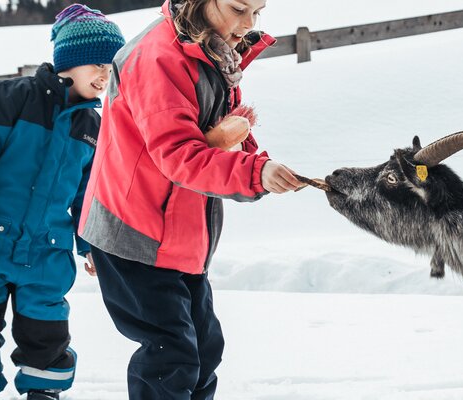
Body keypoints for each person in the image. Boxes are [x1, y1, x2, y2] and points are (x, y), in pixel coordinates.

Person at [76, 0, 304, 398]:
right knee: (171, 355)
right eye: (238, 8)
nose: (248, 23)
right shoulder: (157, 58)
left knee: (203, 349)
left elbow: (214, 134)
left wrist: (252, 160)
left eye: (257, 11)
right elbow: (180, 155)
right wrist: (254, 173)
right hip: (136, 232)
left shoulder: (211, 49)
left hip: (181, 232)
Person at [0, 5, 124, 400]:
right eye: (97, 63)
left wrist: (90, 244)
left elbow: (87, 194)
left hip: (46, 250)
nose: (105, 74)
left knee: (46, 330)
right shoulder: (11, 97)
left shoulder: (93, 126)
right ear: (69, 60)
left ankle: (44, 392)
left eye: (111, 67)